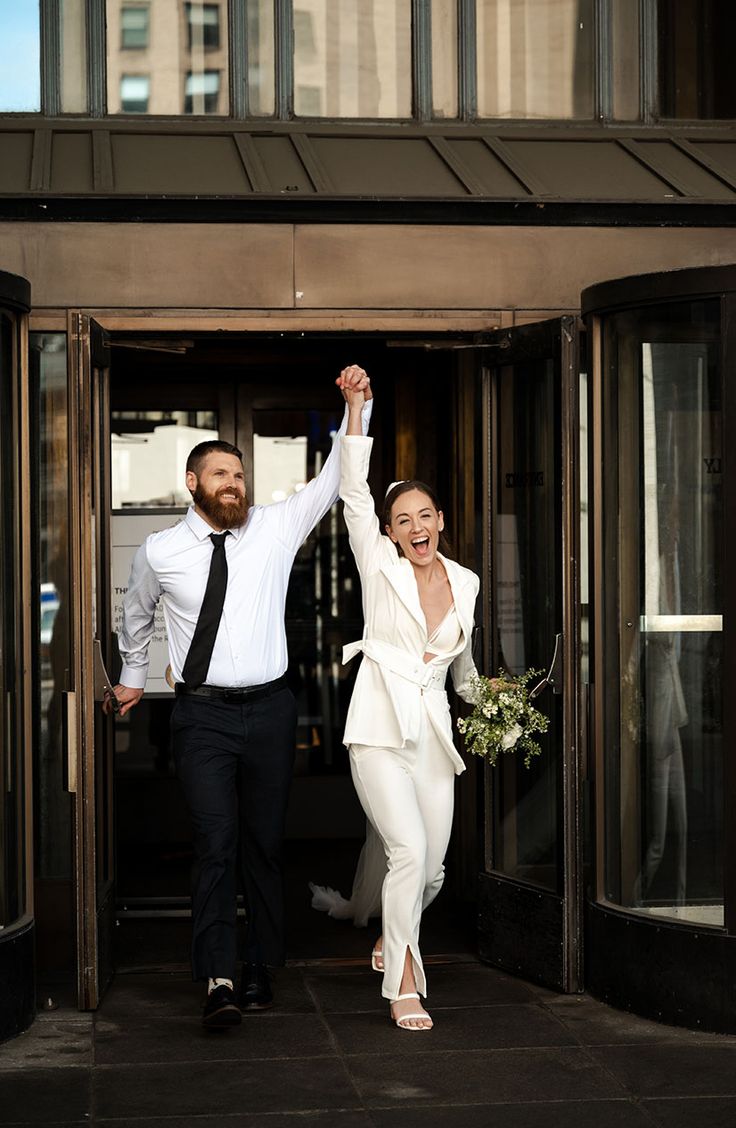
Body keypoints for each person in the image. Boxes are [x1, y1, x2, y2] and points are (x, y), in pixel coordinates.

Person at [108, 368, 372, 1028]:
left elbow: (336, 476)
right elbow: (134, 617)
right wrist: (133, 676)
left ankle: (260, 964)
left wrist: (355, 406)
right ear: (193, 483)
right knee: (214, 842)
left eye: (240, 474)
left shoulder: (276, 528)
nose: (235, 483)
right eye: (221, 474)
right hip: (202, 715)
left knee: (263, 844)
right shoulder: (162, 551)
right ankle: (219, 978)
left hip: (272, 709)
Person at [316, 372, 481, 1031]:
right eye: (402, 520)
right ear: (388, 531)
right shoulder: (378, 563)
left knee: (432, 867)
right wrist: (357, 408)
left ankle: (392, 933)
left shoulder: (465, 580)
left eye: (425, 516)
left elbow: (462, 668)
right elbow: (353, 491)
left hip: (432, 734)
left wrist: (499, 705)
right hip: (379, 728)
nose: (416, 527)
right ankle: (404, 981)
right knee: (408, 850)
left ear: (441, 522)